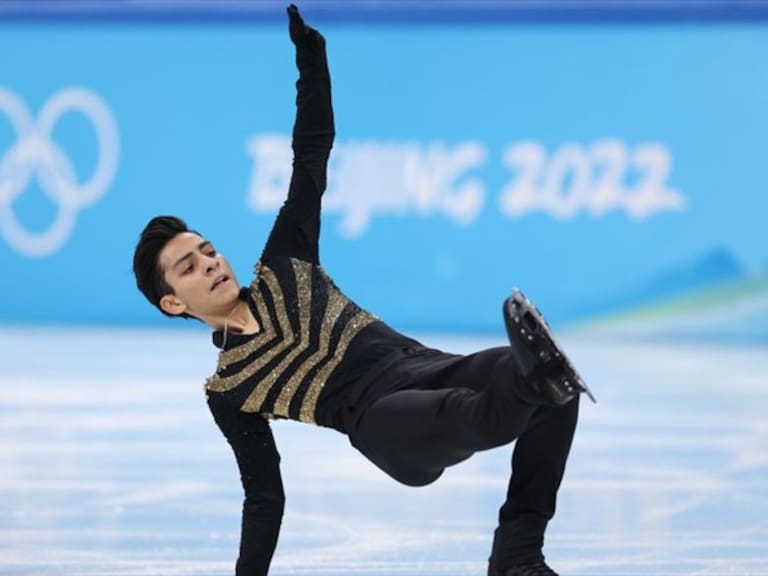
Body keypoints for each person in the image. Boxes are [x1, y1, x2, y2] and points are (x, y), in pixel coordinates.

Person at [133, 6, 592, 576]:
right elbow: (264, 496)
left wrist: (312, 63)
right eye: (187, 267)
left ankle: (518, 553)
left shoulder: (285, 263)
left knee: (558, 391)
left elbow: (312, 153)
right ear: (172, 303)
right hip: (384, 424)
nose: (208, 263)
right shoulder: (229, 391)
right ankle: (533, 382)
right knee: (484, 404)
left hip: (432, 366)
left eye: (207, 250)